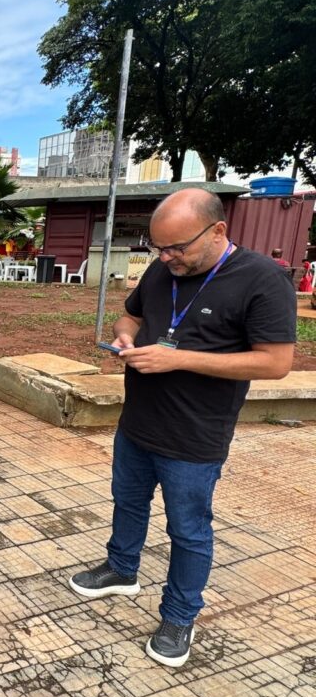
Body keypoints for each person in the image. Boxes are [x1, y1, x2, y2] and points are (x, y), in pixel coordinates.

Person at [68, 188, 296, 668]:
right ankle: (121, 568)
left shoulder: (262, 278)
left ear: (217, 231)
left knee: (188, 530)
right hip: (138, 421)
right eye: (159, 248)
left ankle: (179, 615)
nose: (167, 257)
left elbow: (275, 363)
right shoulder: (162, 270)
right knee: (128, 501)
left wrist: (179, 359)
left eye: (177, 247)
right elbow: (130, 316)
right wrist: (125, 337)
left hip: (195, 435)